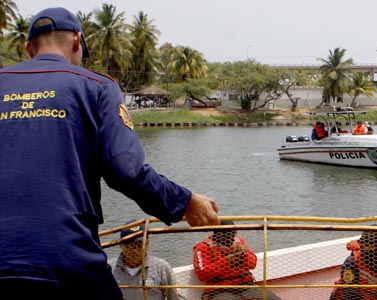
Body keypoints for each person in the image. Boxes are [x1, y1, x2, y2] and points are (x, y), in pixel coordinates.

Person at [0, 7, 219, 299]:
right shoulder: (97, 86)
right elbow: (125, 169)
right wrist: (185, 202)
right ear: (77, 42)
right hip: (67, 259)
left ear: (28, 48)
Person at [193, 220, 281, 300]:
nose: (231, 237)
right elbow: (202, 274)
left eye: (233, 233)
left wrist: (244, 255)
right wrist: (228, 261)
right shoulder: (203, 247)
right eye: (227, 234)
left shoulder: (239, 242)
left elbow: (253, 264)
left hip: (246, 286)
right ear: (217, 233)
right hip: (220, 290)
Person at [110, 221, 179, 300]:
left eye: (139, 245)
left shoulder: (162, 268)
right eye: (130, 244)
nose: (134, 250)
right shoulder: (108, 269)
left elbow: (173, 297)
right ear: (121, 245)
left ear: (147, 244)